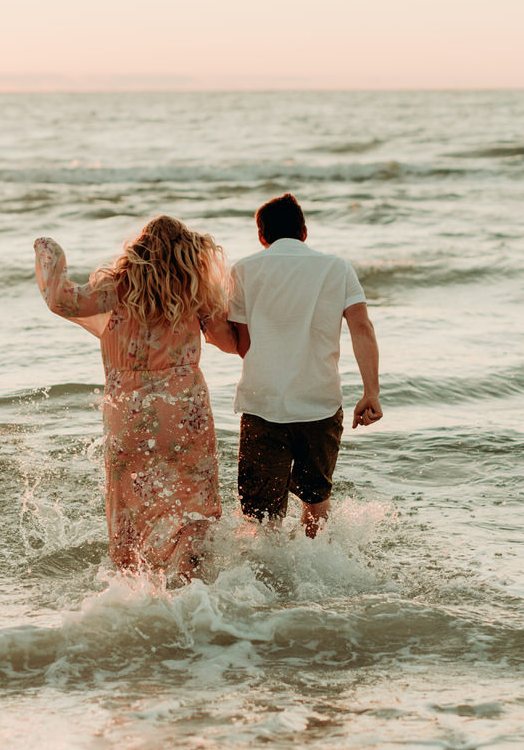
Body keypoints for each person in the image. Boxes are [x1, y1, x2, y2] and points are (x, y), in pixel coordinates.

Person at [34, 216, 238, 579]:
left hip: (128, 410)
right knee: (194, 496)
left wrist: (50, 252)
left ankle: (134, 586)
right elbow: (226, 342)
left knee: (128, 500)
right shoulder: (195, 291)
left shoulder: (115, 288)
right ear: (187, 252)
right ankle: (191, 577)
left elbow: (60, 301)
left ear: (139, 248)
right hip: (183, 408)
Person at [228, 193, 381, 537]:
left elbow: (242, 344)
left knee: (260, 518)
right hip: (320, 404)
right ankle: (315, 577)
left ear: (261, 236)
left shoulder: (243, 270)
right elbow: (362, 327)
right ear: (304, 232)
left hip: (263, 403)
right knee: (316, 503)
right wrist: (371, 391)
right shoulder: (337, 267)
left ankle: (265, 581)